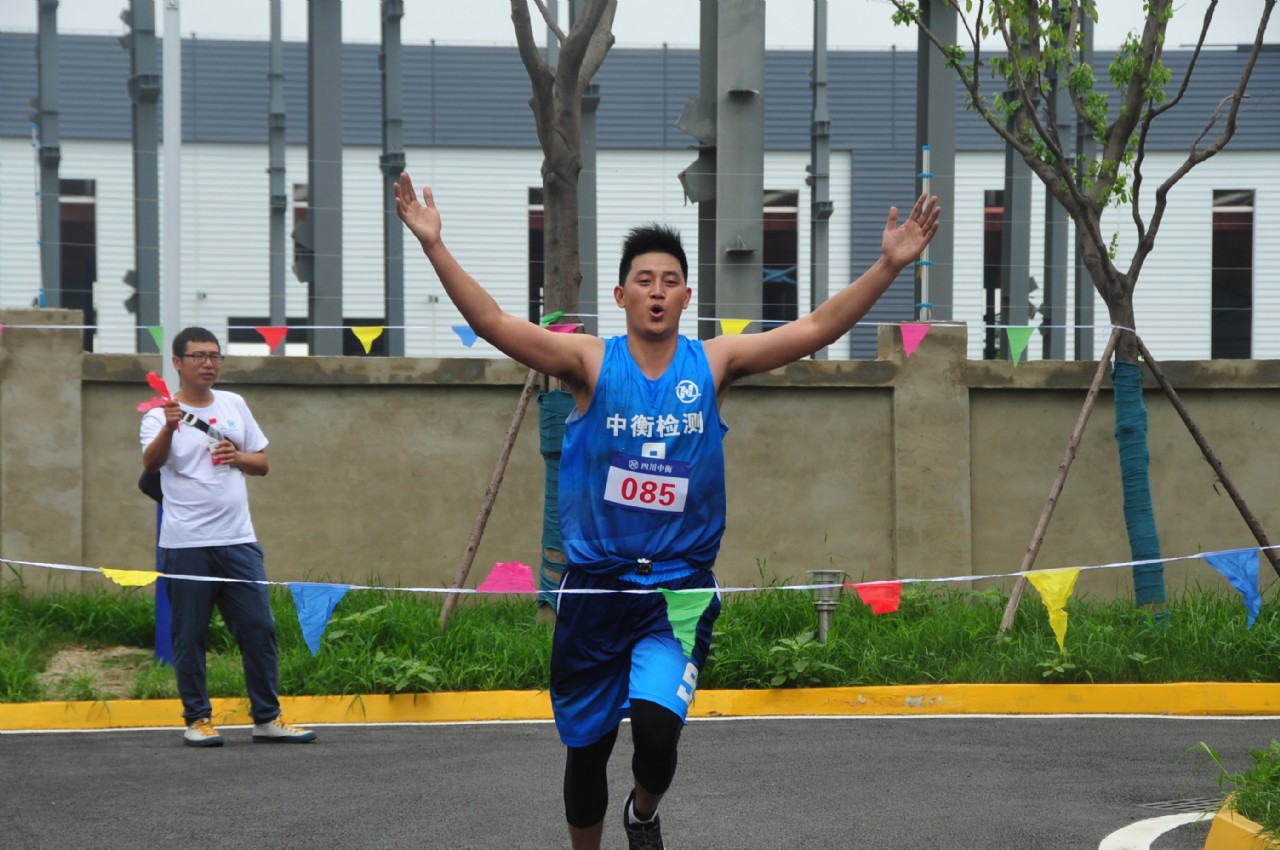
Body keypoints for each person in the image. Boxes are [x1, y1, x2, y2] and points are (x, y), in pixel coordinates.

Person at [395, 173, 940, 850]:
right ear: (621, 295)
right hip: (594, 590)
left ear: (687, 297)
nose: (657, 291)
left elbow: (815, 328)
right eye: (644, 280)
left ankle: (643, 813)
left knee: (656, 735)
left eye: (670, 281)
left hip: (676, 590)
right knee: (587, 751)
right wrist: (434, 246)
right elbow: (494, 324)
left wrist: (889, 265)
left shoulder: (714, 362)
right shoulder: (588, 361)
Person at [140, 326, 317, 748]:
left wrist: (237, 457)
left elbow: (262, 463)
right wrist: (169, 428)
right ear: (178, 362)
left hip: (239, 541)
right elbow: (151, 463)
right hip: (186, 544)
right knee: (190, 635)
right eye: (198, 356)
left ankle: (267, 718)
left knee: (259, 629)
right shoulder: (158, 415)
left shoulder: (234, 404)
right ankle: (197, 719)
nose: (208, 363)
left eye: (215, 356)